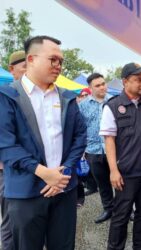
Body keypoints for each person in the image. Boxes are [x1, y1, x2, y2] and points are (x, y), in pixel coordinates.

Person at [0, 35, 86, 250]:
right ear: (31, 59)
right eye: (53, 60)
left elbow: (80, 137)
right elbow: (6, 145)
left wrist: (63, 174)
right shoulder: (8, 96)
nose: (58, 66)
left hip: (64, 189)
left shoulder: (66, 97)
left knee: (63, 245)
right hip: (26, 192)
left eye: (61, 61)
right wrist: (43, 172)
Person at [99, 62, 141, 249]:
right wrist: (113, 170)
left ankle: (140, 246)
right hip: (126, 174)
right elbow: (109, 140)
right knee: (121, 216)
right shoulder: (112, 107)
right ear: (125, 82)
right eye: (138, 80)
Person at [79, 73, 114, 223]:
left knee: (120, 181)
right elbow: (80, 129)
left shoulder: (114, 101)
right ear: (90, 88)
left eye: (103, 83)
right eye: (97, 85)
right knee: (103, 183)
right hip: (93, 151)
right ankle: (108, 209)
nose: (102, 87)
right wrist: (82, 152)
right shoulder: (83, 105)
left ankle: (126, 210)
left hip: (113, 150)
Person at [0, 50, 27, 250]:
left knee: (33, 221)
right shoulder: (5, 95)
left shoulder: (40, 97)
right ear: (12, 70)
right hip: (8, 171)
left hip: (36, 170)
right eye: (24, 66)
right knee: (11, 222)